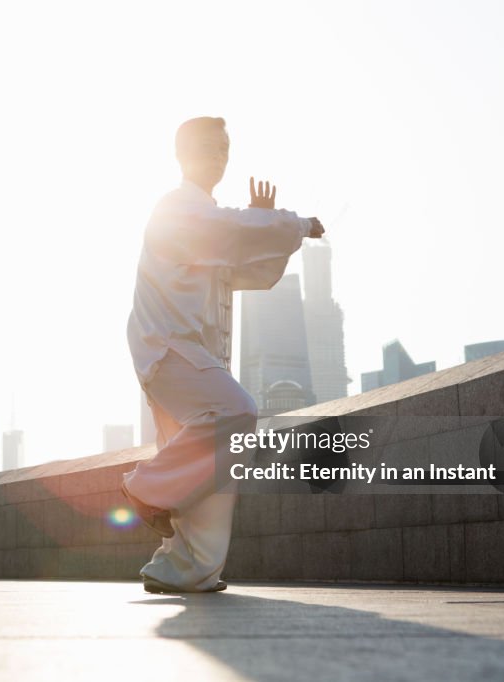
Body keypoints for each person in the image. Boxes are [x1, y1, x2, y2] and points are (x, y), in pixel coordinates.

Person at [122, 116, 324, 594]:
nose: (219, 158)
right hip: (169, 349)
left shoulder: (206, 226)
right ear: (182, 154)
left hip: (193, 357)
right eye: (210, 148)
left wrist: (262, 227)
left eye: (225, 150)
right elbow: (229, 230)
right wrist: (291, 224)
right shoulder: (176, 211)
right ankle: (143, 488)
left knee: (210, 468)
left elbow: (246, 268)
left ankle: (180, 569)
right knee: (238, 411)